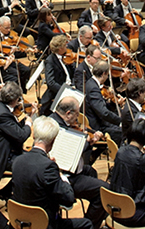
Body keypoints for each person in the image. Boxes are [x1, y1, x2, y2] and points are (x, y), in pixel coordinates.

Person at [11, 116, 93, 229]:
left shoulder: (17, 161)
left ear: (33, 136)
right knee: (86, 224)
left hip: (21, 222)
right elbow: (69, 199)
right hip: (44, 224)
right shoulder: (48, 167)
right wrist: (60, 175)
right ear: (53, 141)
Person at [50, 97, 108, 228]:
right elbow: (70, 156)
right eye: (77, 114)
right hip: (64, 176)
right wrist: (87, 143)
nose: (78, 118)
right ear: (68, 113)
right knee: (103, 189)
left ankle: (98, 213)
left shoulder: (55, 119)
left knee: (91, 171)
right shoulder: (59, 129)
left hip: (71, 169)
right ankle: (89, 224)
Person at [0, 82, 36, 197]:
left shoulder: (1, 108)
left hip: (7, 150)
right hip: (3, 156)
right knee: (30, 166)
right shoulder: (2, 115)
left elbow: (12, 130)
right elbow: (21, 136)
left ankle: (5, 193)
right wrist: (29, 123)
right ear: (14, 99)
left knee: (31, 161)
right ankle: (7, 194)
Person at [84, 61, 122, 144]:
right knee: (122, 132)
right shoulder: (93, 88)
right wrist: (120, 121)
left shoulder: (90, 82)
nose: (108, 77)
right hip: (97, 126)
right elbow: (104, 113)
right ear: (104, 74)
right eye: (108, 74)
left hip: (97, 120)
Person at [40, 35, 74, 115]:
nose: (67, 46)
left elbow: (73, 73)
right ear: (60, 48)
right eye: (65, 45)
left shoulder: (66, 57)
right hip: (58, 92)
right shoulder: (50, 61)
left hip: (71, 87)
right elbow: (51, 83)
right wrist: (64, 91)